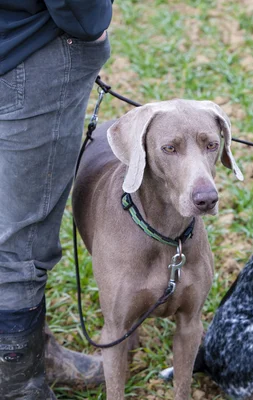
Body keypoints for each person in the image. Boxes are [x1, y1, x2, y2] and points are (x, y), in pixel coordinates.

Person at [0, 1, 113, 398]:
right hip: (25, 52)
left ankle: (33, 354)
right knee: (20, 249)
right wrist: (90, 26)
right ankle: (18, 388)